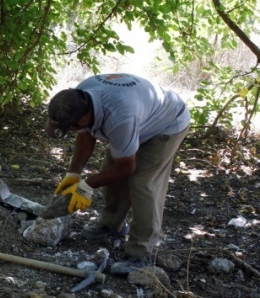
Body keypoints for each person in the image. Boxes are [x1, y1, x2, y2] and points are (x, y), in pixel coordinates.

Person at [43, 73, 190, 275]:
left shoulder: (120, 117)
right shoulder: (80, 96)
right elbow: (85, 135)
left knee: (142, 183)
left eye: (71, 127)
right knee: (110, 169)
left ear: (83, 118)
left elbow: (126, 168)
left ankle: (140, 252)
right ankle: (111, 225)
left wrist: (86, 186)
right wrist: (73, 173)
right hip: (138, 117)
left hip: (166, 125)